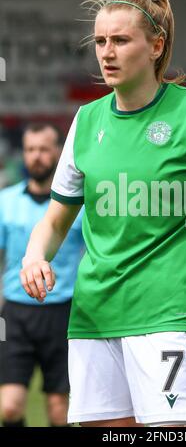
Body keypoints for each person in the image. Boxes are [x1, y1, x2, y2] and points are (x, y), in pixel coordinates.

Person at [20, 0, 186, 428]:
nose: (106, 52)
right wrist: (33, 255)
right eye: (100, 41)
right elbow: (56, 219)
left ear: (156, 46)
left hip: (169, 319)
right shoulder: (86, 120)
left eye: (120, 40)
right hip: (92, 321)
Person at [0, 123, 84, 427]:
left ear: (58, 153)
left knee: (59, 410)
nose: (37, 156)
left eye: (44, 149)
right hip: (15, 314)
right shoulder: (5, 202)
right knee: (9, 407)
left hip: (63, 312)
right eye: (30, 149)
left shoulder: (76, 207)